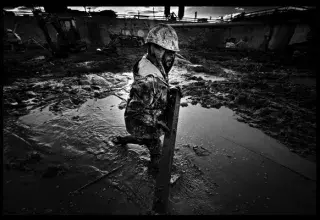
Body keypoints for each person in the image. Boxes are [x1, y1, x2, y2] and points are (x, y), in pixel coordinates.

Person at [110, 23, 182, 172]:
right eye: (165, 51)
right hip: (144, 122)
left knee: (142, 138)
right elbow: (136, 109)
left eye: (171, 52)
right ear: (153, 48)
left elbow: (153, 93)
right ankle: (155, 173)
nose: (171, 57)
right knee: (155, 148)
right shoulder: (149, 80)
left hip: (143, 119)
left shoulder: (147, 62)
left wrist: (168, 91)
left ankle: (122, 140)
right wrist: (157, 121)